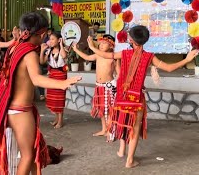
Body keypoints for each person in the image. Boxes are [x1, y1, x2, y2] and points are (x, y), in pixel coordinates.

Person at [0, 12, 81, 175]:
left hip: (11, 108)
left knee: (30, 152)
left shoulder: (15, 47)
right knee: (28, 155)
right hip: (20, 111)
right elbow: (36, 79)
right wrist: (63, 83)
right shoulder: (29, 52)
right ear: (42, 34)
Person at [88, 25, 199, 168]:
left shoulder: (124, 54)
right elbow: (169, 68)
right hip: (136, 98)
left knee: (122, 121)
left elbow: (105, 55)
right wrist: (187, 59)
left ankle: (121, 151)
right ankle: (129, 160)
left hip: (121, 96)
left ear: (130, 39)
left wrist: (92, 46)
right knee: (134, 128)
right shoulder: (149, 57)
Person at [73, 34, 118, 136]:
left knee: (110, 109)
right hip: (99, 86)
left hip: (109, 87)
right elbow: (87, 57)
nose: (101, 45)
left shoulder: (113, 58)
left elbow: (119, 73)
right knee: (101, 109)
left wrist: (119, 84)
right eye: (100, 43)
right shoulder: (98, 55)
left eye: (104, 43)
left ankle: (110, 130)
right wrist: (76, 50)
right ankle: (104, 129)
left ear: (111, 46)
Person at [40, 32, 67, 128]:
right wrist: (42, 51)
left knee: (59, 99)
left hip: (60, 75)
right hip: (52, 75)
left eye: (52, 39)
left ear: (58, 40)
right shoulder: (49, 51)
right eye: (50, 39)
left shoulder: (64, 49)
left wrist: (61, 45)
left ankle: (60, 121)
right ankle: (56, 118)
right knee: (53, 98)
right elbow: (42, 61)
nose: (50, 41)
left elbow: (63, 56)